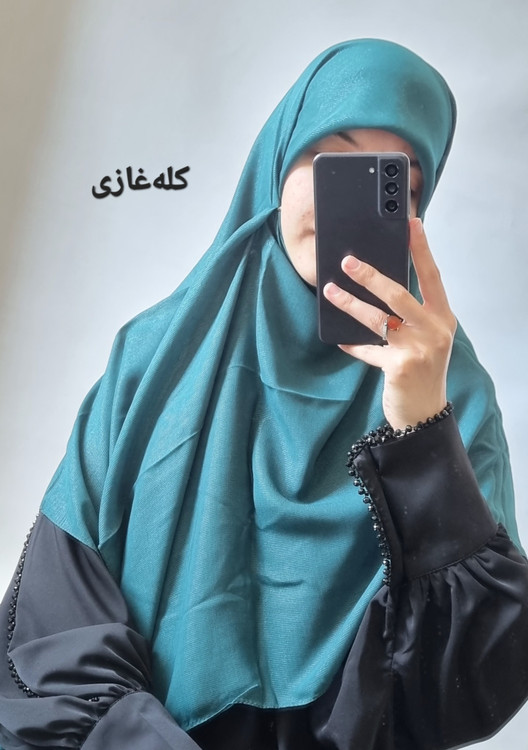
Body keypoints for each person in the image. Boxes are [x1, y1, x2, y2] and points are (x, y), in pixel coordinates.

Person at [0, 38, 527, 750]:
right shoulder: (153, 359)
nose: (346, 203)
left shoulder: (453, 397)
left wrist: (420, 435)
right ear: (277, 161)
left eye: (391, 183)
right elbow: (53, 630)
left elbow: (470, 684)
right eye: (329, 159)